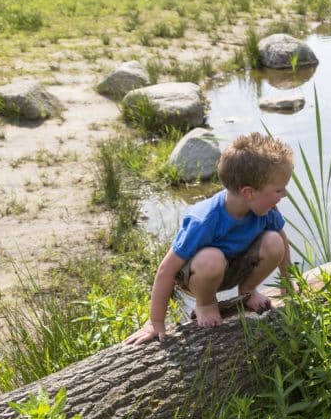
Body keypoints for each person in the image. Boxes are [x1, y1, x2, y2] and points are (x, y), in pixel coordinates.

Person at [124, 132, 293, 345]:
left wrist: (287, 282)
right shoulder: (204, 219)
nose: (284, 195)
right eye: (279, 189)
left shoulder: (266, 209)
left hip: (234, 265)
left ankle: (248, 291)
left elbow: (282, 240)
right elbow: (167, 269)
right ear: (249, 193)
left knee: (274, 241)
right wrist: (155, 322)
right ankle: (205, 304)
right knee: (211, 258)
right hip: (199, 274)